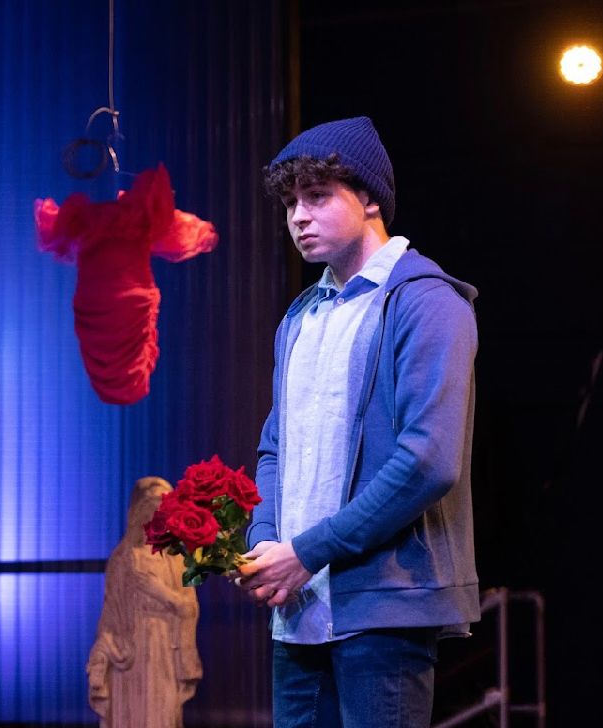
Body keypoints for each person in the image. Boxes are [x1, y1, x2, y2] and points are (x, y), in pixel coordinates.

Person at [237, 116, 480, 727]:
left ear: (370, 198)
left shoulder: (426, 300)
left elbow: (428, 461)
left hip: (385, 605)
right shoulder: (302, 317)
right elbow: (275, 446)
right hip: (298, 609)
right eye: (291, 203)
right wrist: (265, 541)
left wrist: (307, 551)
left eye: (317, 196)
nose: (299, 217)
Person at [87, 477, 202, 727]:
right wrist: (104, 651)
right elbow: (110, 616)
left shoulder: (177, 560)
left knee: (162, 715)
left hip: (165, 650)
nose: (159, 515)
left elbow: (189, 608)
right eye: (152, 507)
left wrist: (161, 592)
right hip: (129, 654)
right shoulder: (123, 558)